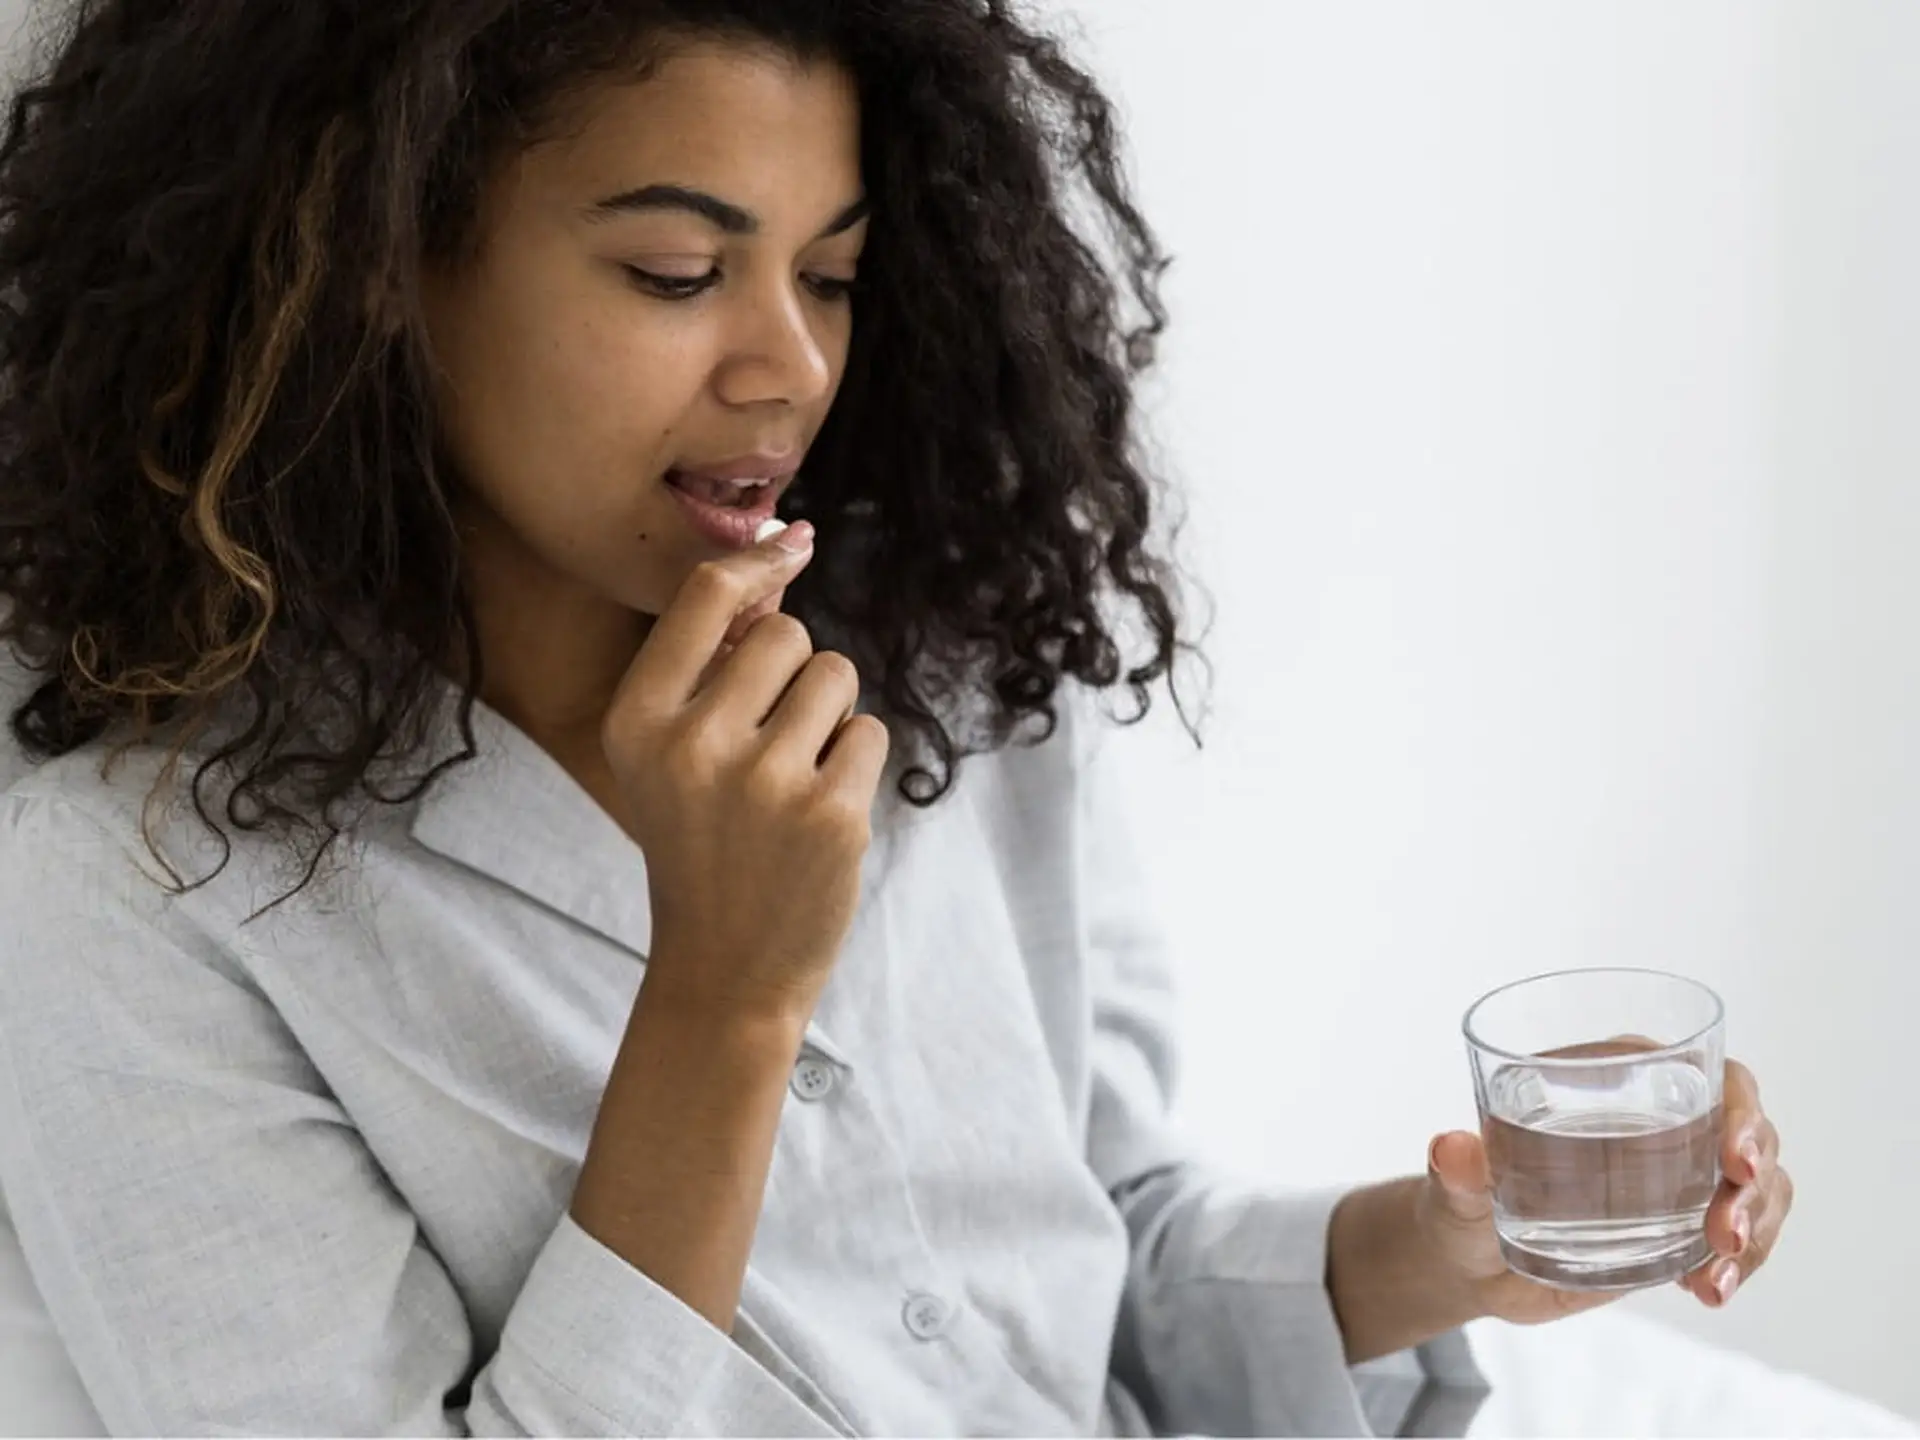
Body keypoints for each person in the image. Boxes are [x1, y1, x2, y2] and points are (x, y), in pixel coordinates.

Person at [0, 2, 1794, 1435]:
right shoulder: (144, 894)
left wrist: (1452, 1250)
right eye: (677, 274)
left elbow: (1090, 1276)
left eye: (831, 274)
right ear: (381, 259)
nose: (786, 367)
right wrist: (722, 998)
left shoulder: (945, 677)